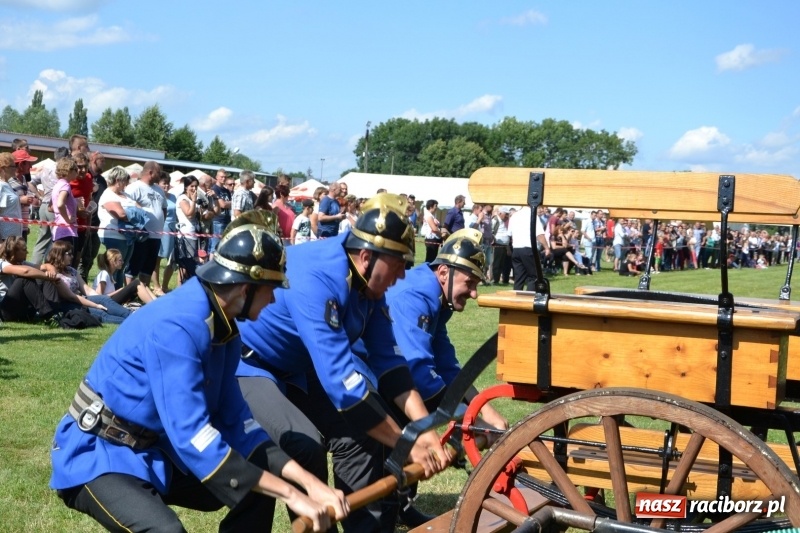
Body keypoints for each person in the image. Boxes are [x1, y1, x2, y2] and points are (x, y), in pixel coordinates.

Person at [50, 211, 347, 533]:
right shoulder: (178, 325)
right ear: (245, 288)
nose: (275, 297)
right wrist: (292, 494)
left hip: (154, 449)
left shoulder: (225, 328)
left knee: (257, 477)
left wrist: (309, 484)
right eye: (271, 288)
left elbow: (238, 423)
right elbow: (193, 435)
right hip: (100, 454)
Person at [236, 193, 450, 532]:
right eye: (396, 268)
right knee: (305, 446)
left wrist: (424, 431)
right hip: (249, 364)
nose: (400, 278)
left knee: (362, 433)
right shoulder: (319, 280)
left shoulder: (367, 286)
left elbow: (391, 366)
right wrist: (406, 443)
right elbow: (344, 388)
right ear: (366, 257)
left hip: (298, 366)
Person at [384, 229, 509, 525]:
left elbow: (448, 366)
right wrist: (470, 419)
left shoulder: (438, 297)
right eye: (471, 282)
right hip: (368, 375)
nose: (475, 293)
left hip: (393, 374)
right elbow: (419, 372)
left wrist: (484, 411)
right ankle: (391, 507)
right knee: (408, 417)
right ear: (444, 272)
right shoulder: (416, 295)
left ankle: (401, 505)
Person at [0, 235, 60, 323]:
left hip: (22, 310)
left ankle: (55, 313)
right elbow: (26, 272)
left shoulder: (21, 263)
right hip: (6, 311)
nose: (27, 252)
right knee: (25, 279)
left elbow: (46, 266)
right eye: (24, 249)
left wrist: (52, 273)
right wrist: (47, 276)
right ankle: (49, 316)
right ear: (13, 251)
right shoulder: (2, 264)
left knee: (45, 279)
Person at [508, 206, 551, 290]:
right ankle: (529, 298)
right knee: (533, 276)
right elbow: (539, 234)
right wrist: (547, 247)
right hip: (529, 248)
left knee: (519, 278)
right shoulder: (532, 214)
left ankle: (516, 299)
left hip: (516, 248)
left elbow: (510, 233)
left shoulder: (514, 215)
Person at [52, 157, 80, 248]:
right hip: (67, 231)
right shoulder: (65, 185)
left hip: (58, 229)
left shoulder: (57, 185)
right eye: (76, 169)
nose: (77, 172)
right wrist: (68, 219)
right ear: (69, 171)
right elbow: (60, 204)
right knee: (67, 260)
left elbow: (51, 206)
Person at [0, 152, 23, 240]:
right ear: (3, 169)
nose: (15, 169)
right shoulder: (1, 186)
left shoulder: (8, 185)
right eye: (13, 166)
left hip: (14, 237)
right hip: (5, 238)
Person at [422, 199, 442, 263]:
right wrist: (441, 234)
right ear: (431, 207)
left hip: (434, 239)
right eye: (435, 206)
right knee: (430, 259)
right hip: (431, 240)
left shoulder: (432, 215)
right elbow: (434, 228)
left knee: (433, 258)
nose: (436, 208)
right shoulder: (428, 215)